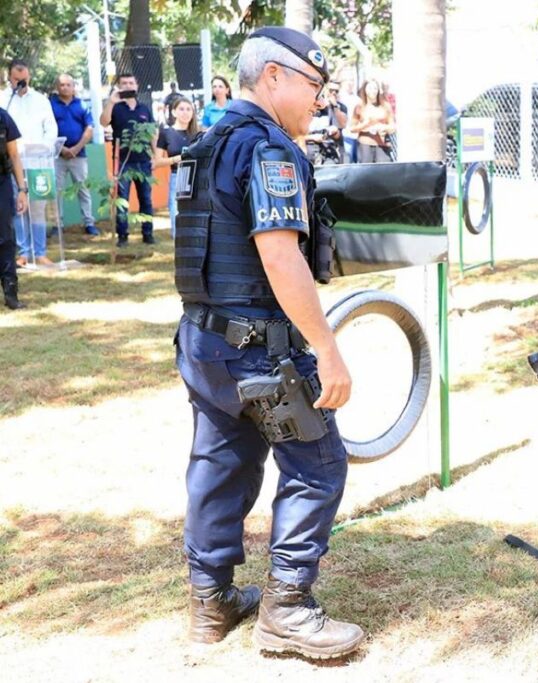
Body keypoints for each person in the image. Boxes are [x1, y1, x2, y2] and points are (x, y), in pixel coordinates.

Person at [173, 26, 365, 659]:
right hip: (260, 351)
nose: (320, 99)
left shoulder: (206, 144)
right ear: (274, 77)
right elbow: (281, 258)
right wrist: (327, 349)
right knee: (319, 467)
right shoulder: (268, 150)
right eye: (314, 85)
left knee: (219, 464)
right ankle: (287, 609)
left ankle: (210, 602)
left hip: (205, 344)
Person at [1, 59, 57, 265]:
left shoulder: (41, 100)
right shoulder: (3, 100)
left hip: (37, 162)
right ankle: (23, 252)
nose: (21, 83)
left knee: (38, 208)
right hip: (12, 162)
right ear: (9, 78)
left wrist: (44, 146)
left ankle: (40, 252)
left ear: (29, 77)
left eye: (24, 79)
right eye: (17, 80)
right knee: (18, 207)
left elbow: (51, 129)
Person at [99, 73, 156, 247]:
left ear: (136, 85)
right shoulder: (115, 107)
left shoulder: (144, 108)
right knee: (122, 200)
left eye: (131, 83)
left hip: (143, 161)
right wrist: (111, 102)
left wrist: (155, 155)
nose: (128, 86)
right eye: (124, 83)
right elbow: (103, 122)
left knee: (146, 199)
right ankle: (122, 235)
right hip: (122, 161)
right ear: (119, 86)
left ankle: (148, 234)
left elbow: (153, 132)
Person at [50, 74, 99, 237]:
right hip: (57, 156)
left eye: (68, 85)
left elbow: (89, 128)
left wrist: (76, 148)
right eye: (61, 85)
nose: (65, 88)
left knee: (82, 189)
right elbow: (47, 129)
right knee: (56, 191)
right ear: (57, 87)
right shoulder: (50, 105)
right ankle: (57, 225)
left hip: (79, 155)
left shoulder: (82, 105)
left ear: (73, 87)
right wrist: (62, 149)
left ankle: (89, 223)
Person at [154, 96, 200, 238]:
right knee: (176, 211)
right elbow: (157, 161)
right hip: (178, 175)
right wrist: (176, 159)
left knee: (197, 211)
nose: (185, 112)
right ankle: (178, 240)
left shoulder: (198, 134)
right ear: (174, 112)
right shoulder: (166, 133)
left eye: (188, 109)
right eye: (181, 109)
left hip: (197, 176)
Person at [1, 105, 29, 309]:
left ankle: (11, 294)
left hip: (2, 182)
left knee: (6, 238)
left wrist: (22, 189)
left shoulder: (3, 117)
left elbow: (14, 155)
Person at [349, 78, 395, 163]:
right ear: (365, 90)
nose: (372, 91)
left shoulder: (385, 106)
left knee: (383, 169)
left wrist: (383, 127)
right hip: (364, 145)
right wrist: (365, 125)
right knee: (366, 169)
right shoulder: (359, 106)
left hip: (382, 145)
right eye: (370, 88)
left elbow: (393, 127)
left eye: (375, 88)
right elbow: (352, 128)